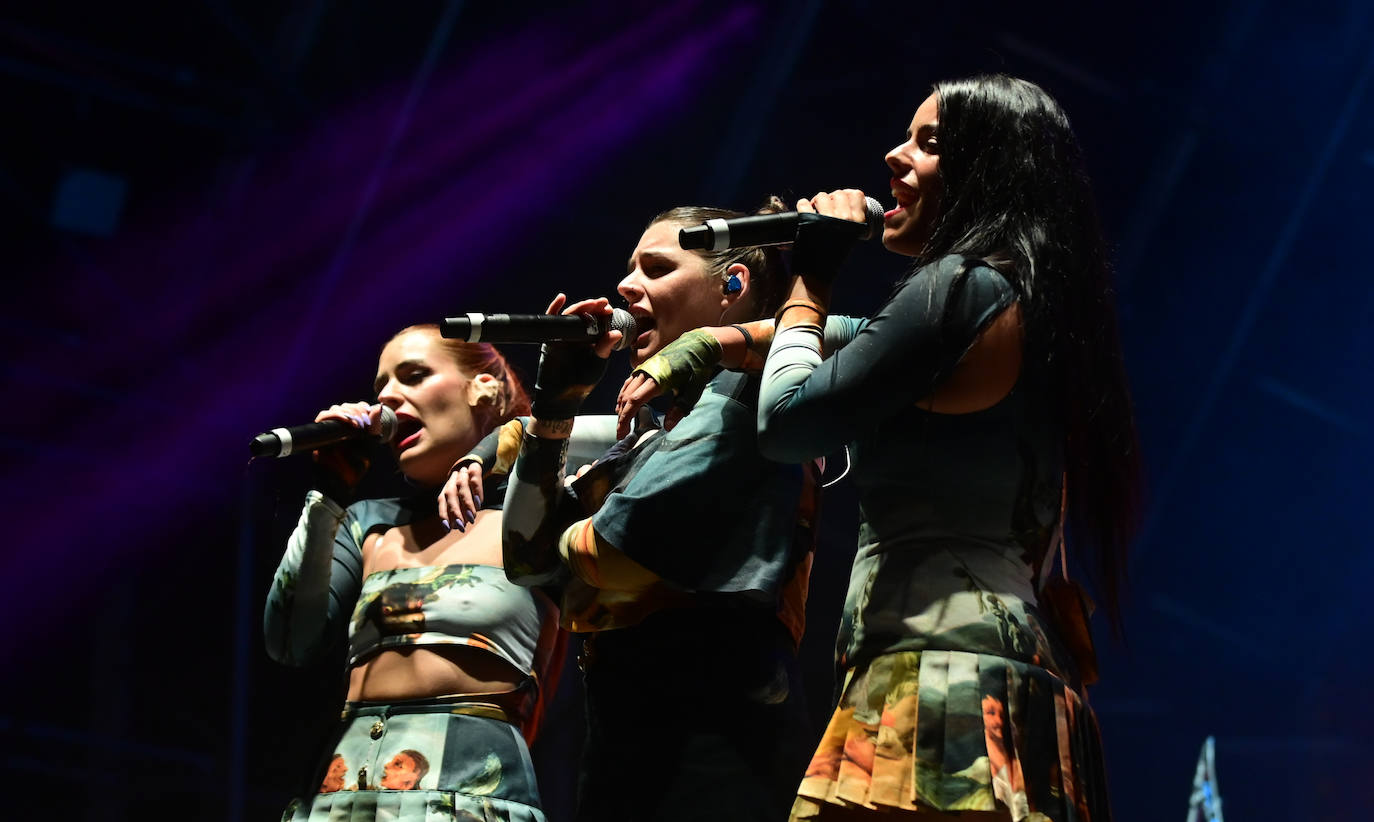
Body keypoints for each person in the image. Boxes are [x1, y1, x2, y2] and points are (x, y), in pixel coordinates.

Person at [618, 75, 1141, 821]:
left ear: (988, 171)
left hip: (940, 675)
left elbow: (791, 422)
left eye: (929, 144)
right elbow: (865, 343)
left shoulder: (955, 285)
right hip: (1003, 663)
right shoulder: (1020, 295)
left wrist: (811, 279)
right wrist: (718, 341)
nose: (894, 158)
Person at [490, 204, 820, 821]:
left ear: (733, 286)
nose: (624, 286)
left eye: (656, 267)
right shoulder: (648, 436)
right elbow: (526, 564)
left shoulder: (751, 397)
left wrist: (570, 546)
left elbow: (608, 553)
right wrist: (555, 409)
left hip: (720, 753)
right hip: (626, 750)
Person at [263, 324, 563, 821]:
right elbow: (291, 641)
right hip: (338, 799)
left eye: (414, 375)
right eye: (380, 387)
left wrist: (492, 453)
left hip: (470, 798)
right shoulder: (366, 523)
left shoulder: (539, 510)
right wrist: (329, 493)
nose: (387, 399)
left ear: (484, 388)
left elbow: (617, 436)